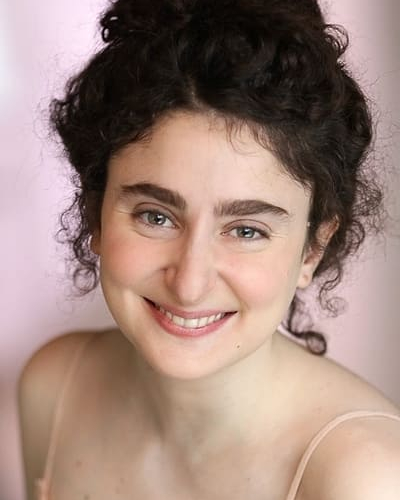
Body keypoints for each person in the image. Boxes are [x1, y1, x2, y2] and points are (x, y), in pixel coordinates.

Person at [18, 1, 400, 499]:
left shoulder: (366, 478)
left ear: (313, 249)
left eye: (246, 230)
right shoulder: (53, 387)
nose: (190, 283)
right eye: (156, 216)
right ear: (96, 214)